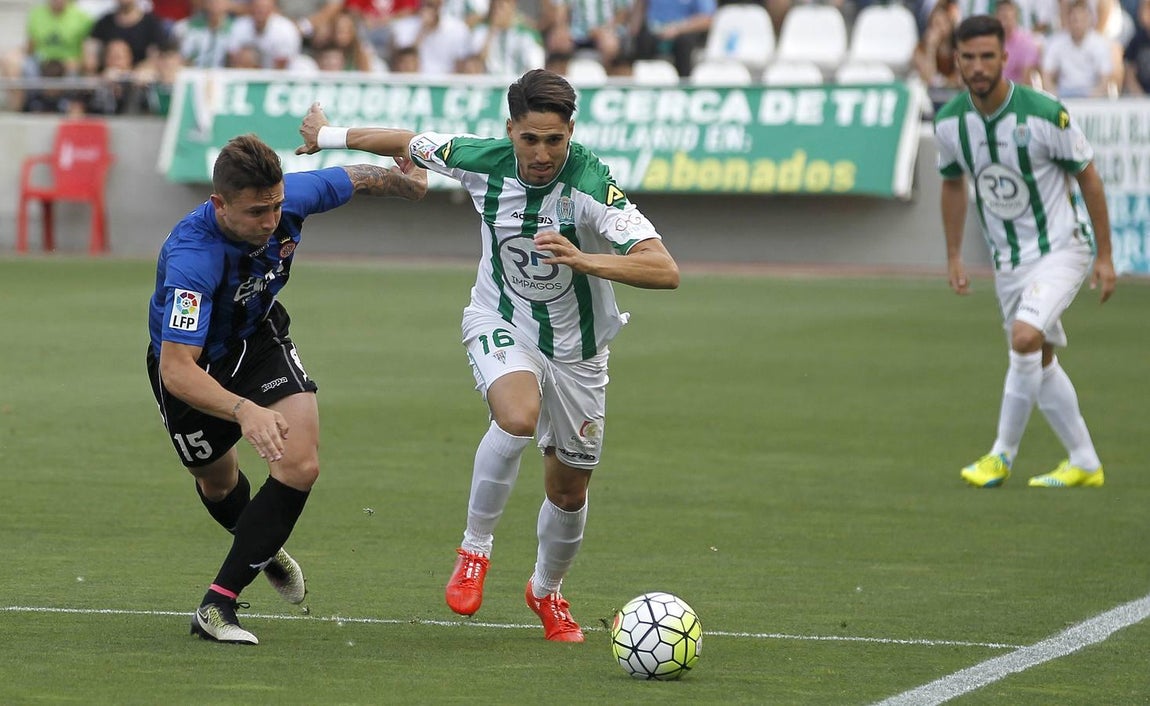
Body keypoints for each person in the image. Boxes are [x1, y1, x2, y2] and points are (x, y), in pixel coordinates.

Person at [294, 68, 680, 641]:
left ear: (571, 133)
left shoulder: (592, 185)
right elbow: (405, 141)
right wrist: (326, 134)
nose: (543, 153)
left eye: (555, 139)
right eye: (531, 139)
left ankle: (546, 592)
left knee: (569, 491)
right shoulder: (481, 159)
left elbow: (663, 268)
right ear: (511, 131)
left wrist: (585, 259)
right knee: (517, 416)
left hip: (579, 351)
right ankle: (475, 550)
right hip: (500, 319)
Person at [146, 134, 427, 644]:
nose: (271, 220)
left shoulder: (288, 197)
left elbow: (360, 177)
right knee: (218, 483)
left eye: (276, 206)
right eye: (256, 212)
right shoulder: (193, 259)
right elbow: (176, 369)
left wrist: (408, 185)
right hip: (198, 366)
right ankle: (262, 543)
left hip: (260, 340)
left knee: (300, 464)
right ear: (219, 205)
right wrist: (243, 410)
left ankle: (216, 607)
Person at [933, 15, 1116, 490]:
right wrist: (954, 254)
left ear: (1004, 57)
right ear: (957, 60)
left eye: (987, 56)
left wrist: (1105, 255)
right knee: (1042, 355)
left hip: (1061, 248)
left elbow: (1088, 176)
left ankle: (1001, 455)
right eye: (968, 57)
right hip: (1008, 262)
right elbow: (952, 184)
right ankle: (1085, 462)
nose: (977, 66)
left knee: (1023, 337)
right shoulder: (951, 121)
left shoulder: (1042, 112)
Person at [1041, 0, 1120, 98]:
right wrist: (1053, 94)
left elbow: (1105, 79)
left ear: (1089, 20)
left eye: (1082, 20)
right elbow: (1046, 75)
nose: (1078, 25)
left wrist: (1095, 96)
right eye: (1075, 20)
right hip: (1063, 92)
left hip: (1091, 93)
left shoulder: (1100, 44)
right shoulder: (1056, 43)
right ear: (1069, 20)